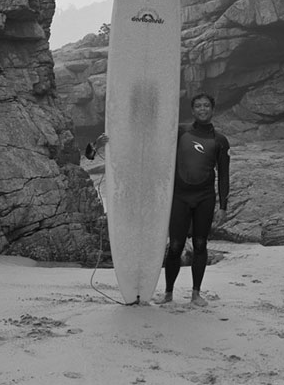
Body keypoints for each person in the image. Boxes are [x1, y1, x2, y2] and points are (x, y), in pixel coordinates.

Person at [84, 93, 230, 307]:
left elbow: (224, 175)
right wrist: (98, 144)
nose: (202, 109)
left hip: (205, 197)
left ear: (212, 109)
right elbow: (143, 136)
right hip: (179, 196)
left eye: (206, 105)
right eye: (198, 105)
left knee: (200, 244)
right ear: (192, 110)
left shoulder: (220, 140)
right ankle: (168, 293)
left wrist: (223, 207)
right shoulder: (179, 131)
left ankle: (196, 294)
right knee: (175, 246)